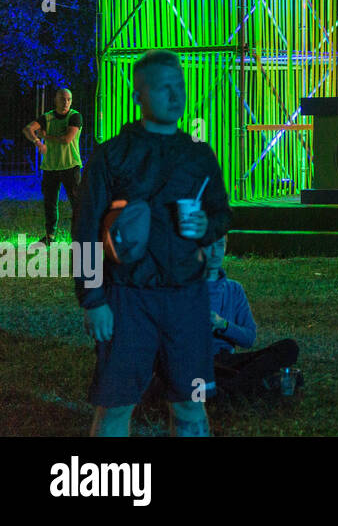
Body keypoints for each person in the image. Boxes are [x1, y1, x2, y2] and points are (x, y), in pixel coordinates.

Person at [75, 49, 233, 436]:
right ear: (138, 95)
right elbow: (84, 232)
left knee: (190, 407)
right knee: (114, 409)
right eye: (162, 88)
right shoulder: (113, 155)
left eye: (178, 86)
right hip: (127, 299)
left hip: (187, 300)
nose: (174, 96)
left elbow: (222, 214)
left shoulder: (198, 154)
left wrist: (205, 226)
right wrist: (93, 299)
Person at [203, 236, 300, 402]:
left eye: (220, 245)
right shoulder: (184, 289)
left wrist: (223, 325)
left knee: (288, 347)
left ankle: (231, 389)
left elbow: (249, 338)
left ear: (226, 247)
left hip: (228, 361)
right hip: (197, 362)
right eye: (208, 245)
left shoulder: (234, 289)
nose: (215, 252)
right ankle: (253, 386)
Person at [23, 88, 83, 244]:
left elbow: (67, 139)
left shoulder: (75, 116)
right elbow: (28, 129)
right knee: (50, 203)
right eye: (63, 99)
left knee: (77, 204)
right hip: (50, 167)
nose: (66, 102)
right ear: (55, 100)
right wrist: (37, 142)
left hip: (70, 166)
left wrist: (45, 137)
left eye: (69, 99)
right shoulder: (47, 117)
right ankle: (50, 236)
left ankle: (79, 237)